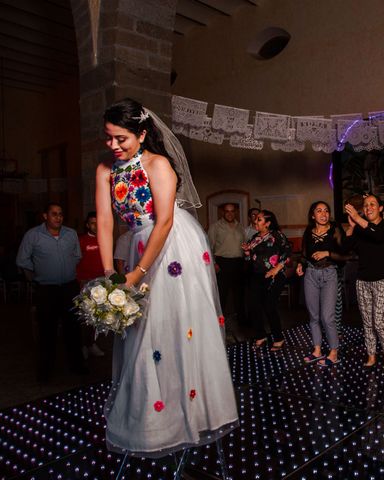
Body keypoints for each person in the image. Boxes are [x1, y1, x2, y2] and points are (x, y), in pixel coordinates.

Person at [96, 98, 237, 457]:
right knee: (141, 333)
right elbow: (107, 222)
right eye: (109, 138)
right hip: (135, 245)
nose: (113, 146)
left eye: (121, 139)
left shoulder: (159, 165)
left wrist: (138, 273)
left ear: (142, 135)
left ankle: (191, 410)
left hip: (172, 248)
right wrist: (110, 274)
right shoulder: (105, 170)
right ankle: (152, 420)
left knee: (175, 326)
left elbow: (165, 221)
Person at [16, 202, 85, 381]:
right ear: (45, 216)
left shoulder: (70, 234)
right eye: (54, 214)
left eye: (60, 214)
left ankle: (77, 366)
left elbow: (77, 256)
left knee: (73, 329)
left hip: (69, 288)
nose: (58, 217)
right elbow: (22, 260)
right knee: (47, 331)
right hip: (46, 290)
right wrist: (39, 272)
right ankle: (45, 372)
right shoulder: (33, 235)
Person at [343, 194, 384, 370]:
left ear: (381, 208)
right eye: (365, 205)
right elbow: (345, 248)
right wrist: (352, 227)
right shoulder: (359, 228)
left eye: (373, 204)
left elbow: (378, 236)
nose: (369, 208)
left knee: (380, 322)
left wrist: (358, 218)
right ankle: (371, 355)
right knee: (367, 322)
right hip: (363, 281)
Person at [296, 201, 346, 367]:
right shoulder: (308, 232)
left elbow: (344, 255)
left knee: (328, 317)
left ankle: (334, 352)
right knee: (314, 316)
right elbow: (304, 254)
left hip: (329, 273)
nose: (324, 214)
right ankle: (317, 350)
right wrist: (300, 265)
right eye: (319, 211)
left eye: (326, 211)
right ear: (313, 215)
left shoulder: (335, 230)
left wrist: (327, 253)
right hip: (310, 274)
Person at [244, 209, 291, 351]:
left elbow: (288, 253)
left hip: (274, 275)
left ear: (268, 223)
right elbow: (249, 259)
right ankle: (260, 336)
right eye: (255, 219)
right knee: (253, 305)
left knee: (270, 306)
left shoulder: (277, 235)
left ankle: (278, 338)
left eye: (259, 219)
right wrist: (247, 252)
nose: (255, 221)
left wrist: (276, 269)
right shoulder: (254, 238)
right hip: (257, 276)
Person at [209, 203, 247, 329]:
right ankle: (218, 324)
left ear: (235, 212)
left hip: (239, 264)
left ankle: (242, 322)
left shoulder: (241, 227)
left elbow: (245, 245)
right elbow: (208, 247)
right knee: (221, 296)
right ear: (222, 213)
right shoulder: (215, 227)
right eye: (227, 211)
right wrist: (214, 263)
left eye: (232, 211)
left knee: (240, 295)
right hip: (222, 264)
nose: (229, 213)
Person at [76, 211, 105, 358]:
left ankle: (92, 344)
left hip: (101, 283)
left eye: (97, 222)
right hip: (85, 283)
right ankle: (83, 346)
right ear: (87, 225)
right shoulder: (81, 241)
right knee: (85, 318)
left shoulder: (104, 239)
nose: (95, 225)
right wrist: (80, 281)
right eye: (92, 223)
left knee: (98, 317)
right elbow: (75, 262)